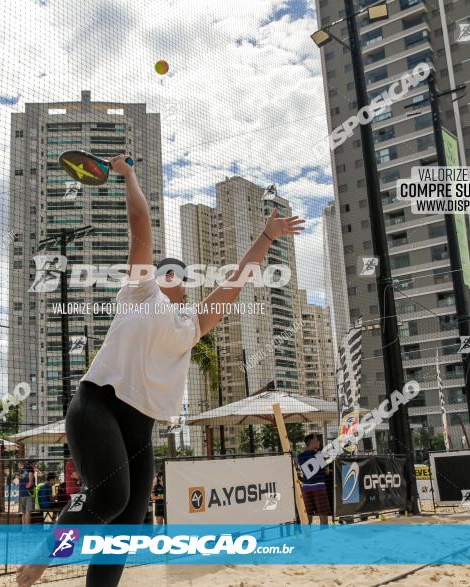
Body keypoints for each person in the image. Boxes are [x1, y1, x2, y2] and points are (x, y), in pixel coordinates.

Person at [17, 154, 303, 587]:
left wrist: (266, 235)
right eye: (169, 270)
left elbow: (236, 281)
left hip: (139, 426)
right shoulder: (139, 291)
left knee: (127, 526)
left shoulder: (190, 324)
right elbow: (140, 226)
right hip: (99, 406)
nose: (176, 275)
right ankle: (47, 550)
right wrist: (129, 174)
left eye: (181, 274)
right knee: (110, 498)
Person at [297, 433, 331, 525]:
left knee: (308, 514)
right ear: (312, 442)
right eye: (317, 440)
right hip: (319, 487)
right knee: (322, 513)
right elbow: (327, 472)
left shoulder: (300, 457)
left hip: (306, 488)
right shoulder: (319, 455)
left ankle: (307, 537)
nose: (319, 442)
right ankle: (323, 536)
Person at [19, 459, 36, 524]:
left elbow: (21, 481)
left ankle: (24, 530)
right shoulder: (30, 469)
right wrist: (29, 487)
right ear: (32, 463)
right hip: (28, 493)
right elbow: (30, 482)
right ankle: (27, 530)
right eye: (35, 463)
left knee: (23, 512)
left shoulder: (22, 470)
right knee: (28, 512)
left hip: (21, 492)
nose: (35, 465)